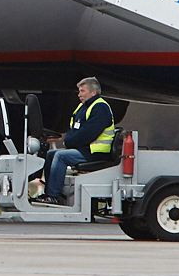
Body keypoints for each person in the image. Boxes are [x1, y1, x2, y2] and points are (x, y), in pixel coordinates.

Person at [31, 77, 116, 206]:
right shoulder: (83, 107)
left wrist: (69, 142)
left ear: (93, 92)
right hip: (84, 150)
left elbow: (87, 134)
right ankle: (49, 192)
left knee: (60, 156)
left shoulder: (100, 108)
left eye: (82, 91)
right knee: (50, 154)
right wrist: (69, 141)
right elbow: (72, 129)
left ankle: (54, 196)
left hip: (94, 153)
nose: (79, 94)